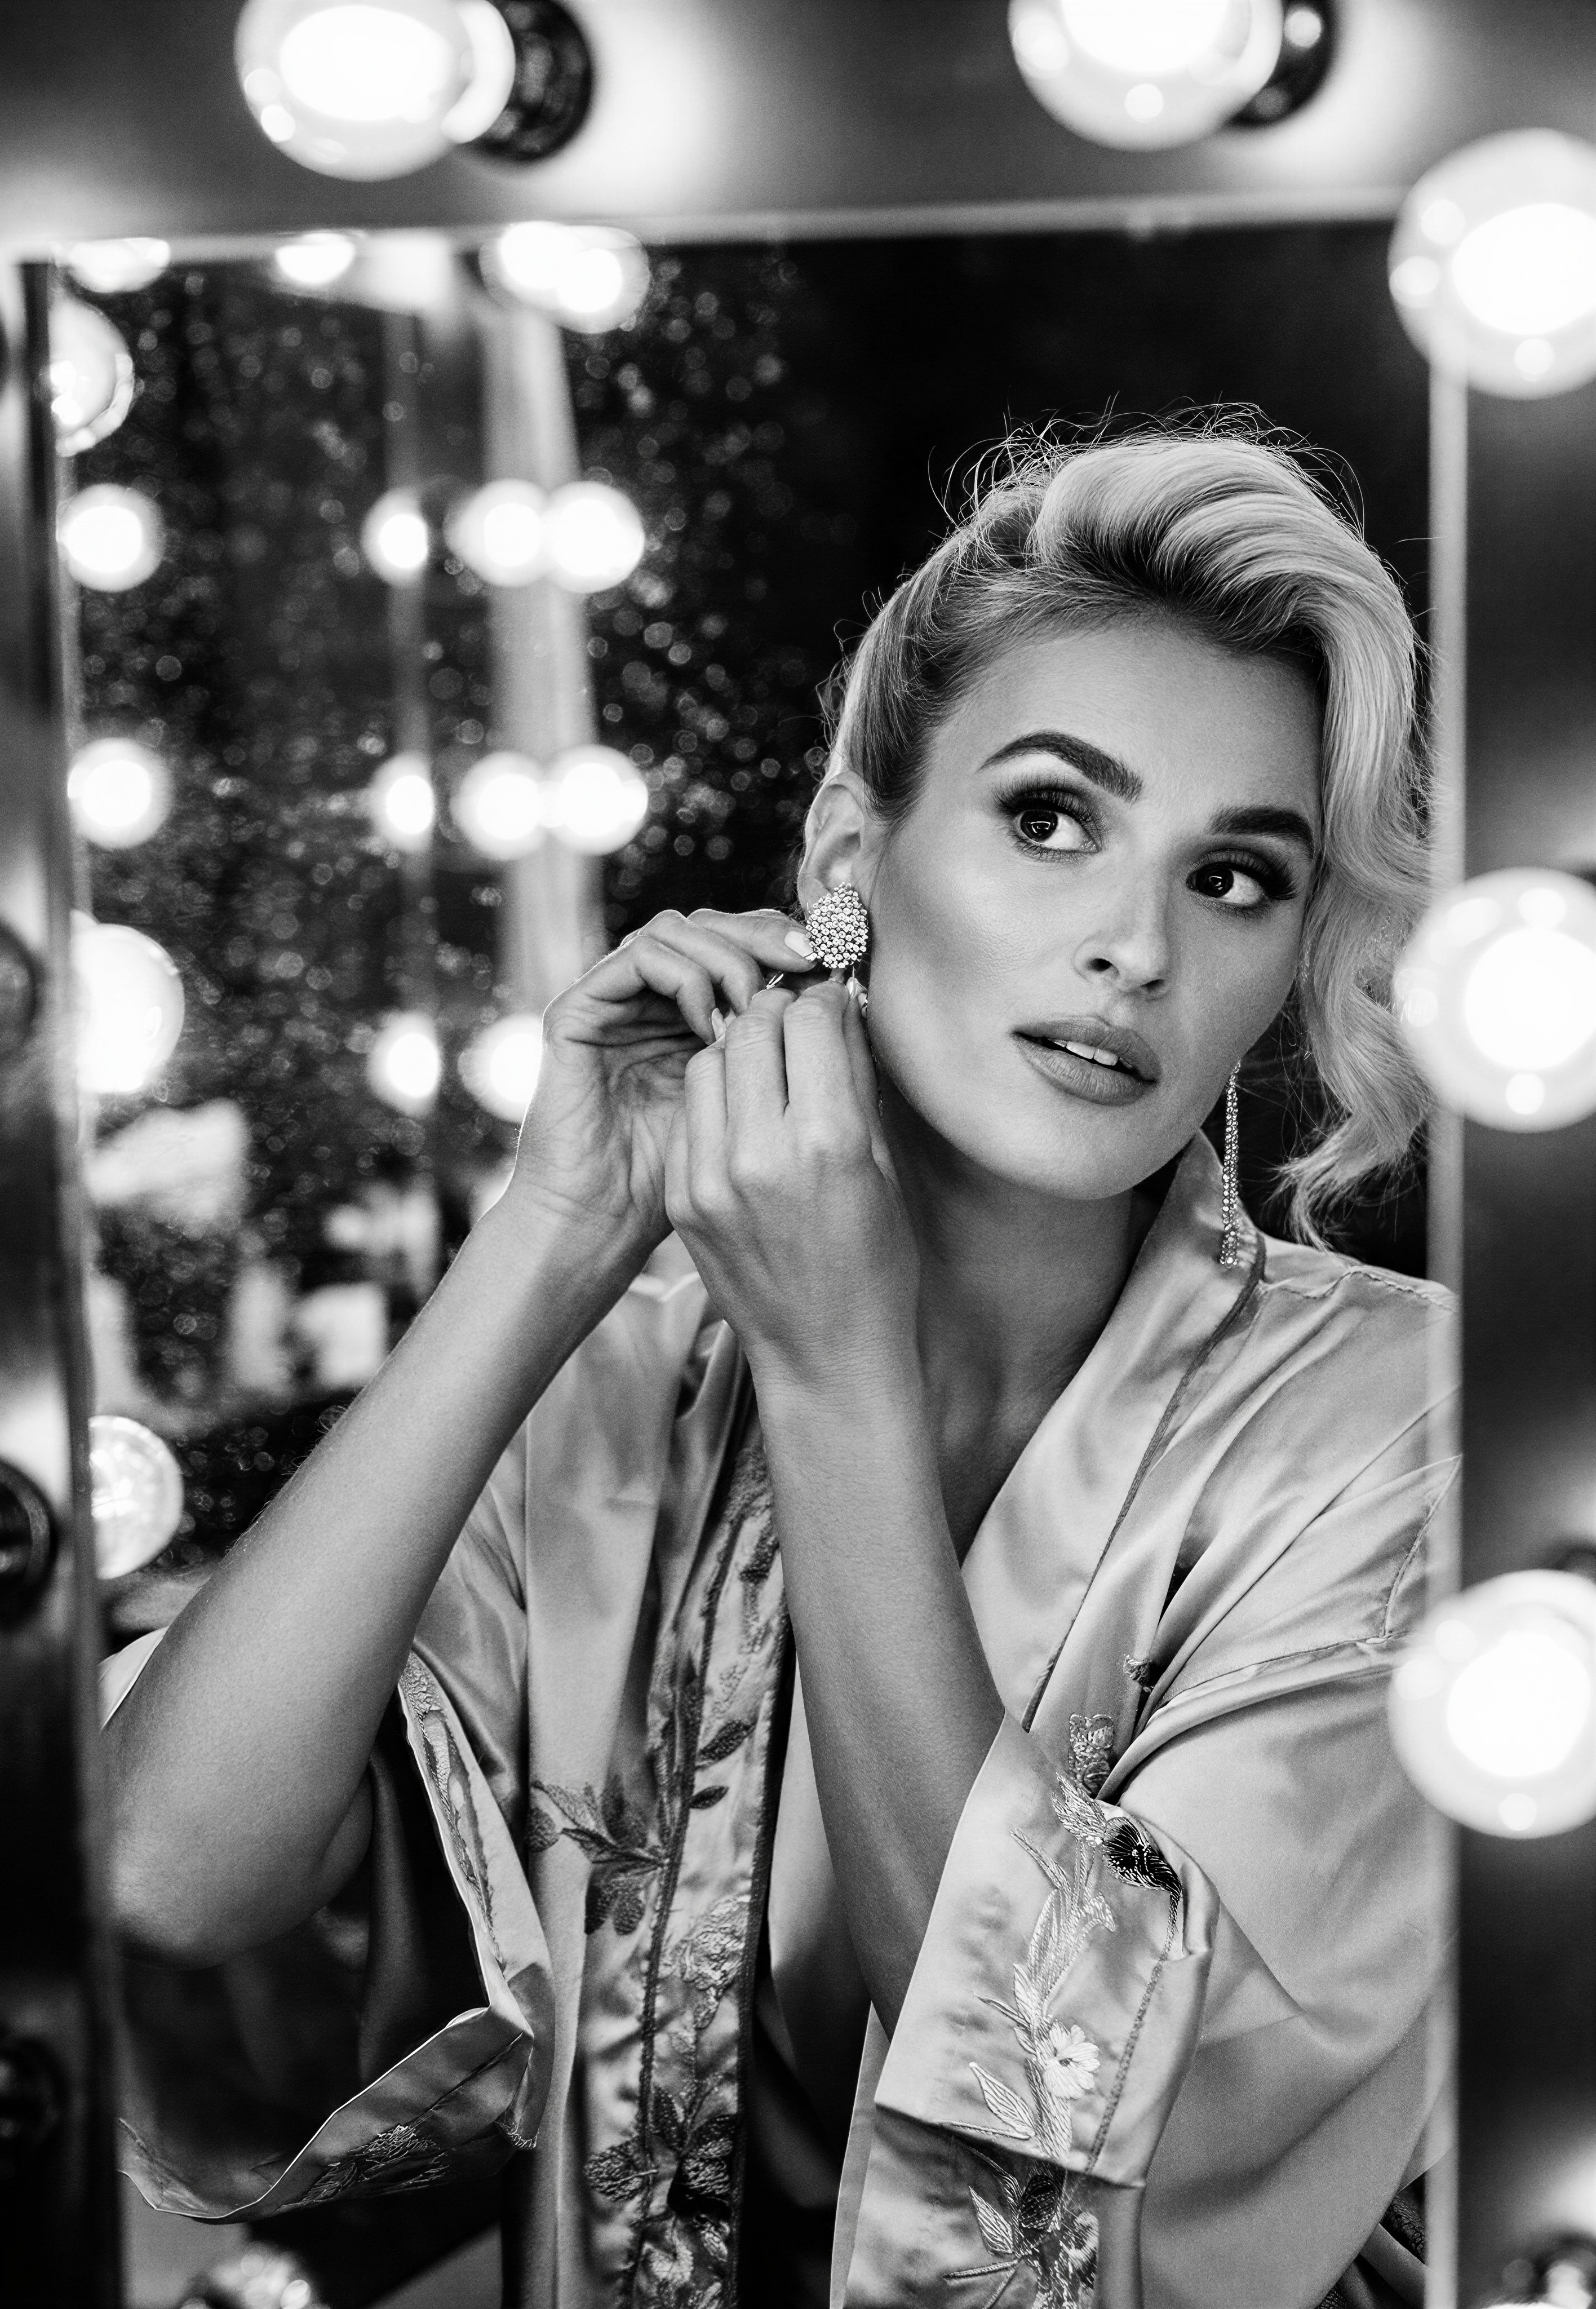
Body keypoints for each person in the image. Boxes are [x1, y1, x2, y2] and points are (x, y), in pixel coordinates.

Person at [102, 424, 1456, 2309]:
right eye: (1052, 820)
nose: (1136, 948)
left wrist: (835, 1380)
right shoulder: (627, 1379)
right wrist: (554, 1234)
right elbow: (165, 1880)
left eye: (1233, 877)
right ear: (847, 855)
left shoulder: (1397, 1430)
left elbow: (1085, 2132)